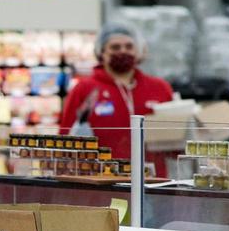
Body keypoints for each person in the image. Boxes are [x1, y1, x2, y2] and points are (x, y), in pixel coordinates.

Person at [59, 23, 175, 162]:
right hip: (104, 177)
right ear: (101, 52)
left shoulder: (159, 87)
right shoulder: (85, 89)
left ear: (137, 50)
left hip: (153, 179)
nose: (123, 51)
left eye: (129, 46)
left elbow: (176, 138)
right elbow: (65, 138)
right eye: (115, 47)